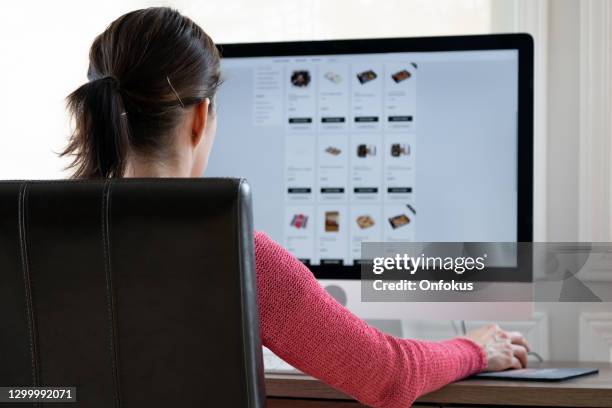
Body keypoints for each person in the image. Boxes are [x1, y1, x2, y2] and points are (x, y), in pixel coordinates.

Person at [61, 7, 530, 408]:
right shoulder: (234, 255)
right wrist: (473, 349)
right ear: (201, 117)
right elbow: (387, 376)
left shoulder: (40, 239)